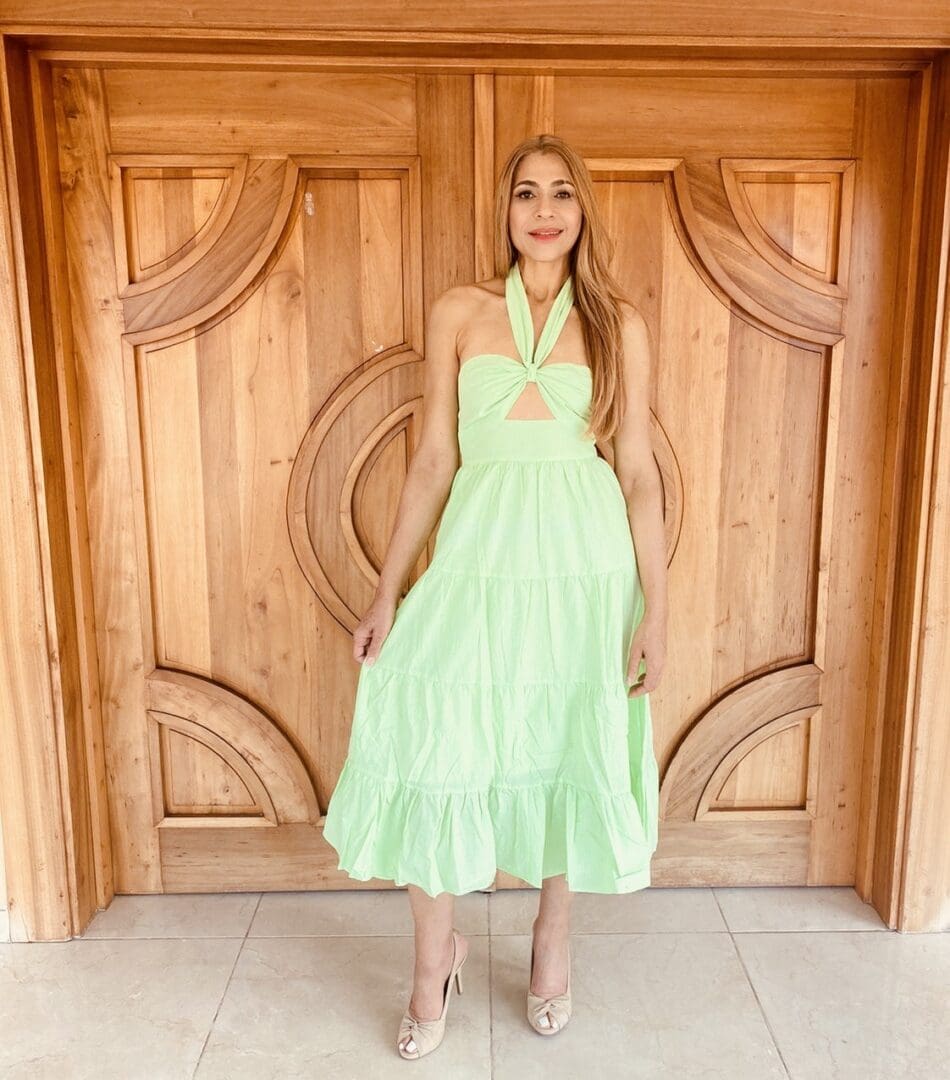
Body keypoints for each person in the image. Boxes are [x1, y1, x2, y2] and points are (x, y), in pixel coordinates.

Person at [322, 132, 668, 1059]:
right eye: (526, 193)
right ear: (506, 210)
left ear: (582, 209)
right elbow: (435, 456)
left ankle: (551, 940)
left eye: (561, 193)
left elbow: (636, 472)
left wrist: (656, 611)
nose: (544, 210)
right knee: (430, 737)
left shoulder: (617, 323)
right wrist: (388, 591)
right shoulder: (460, 312)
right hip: (476, 560)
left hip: (585, 569)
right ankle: (434, 958)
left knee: (564, 740)